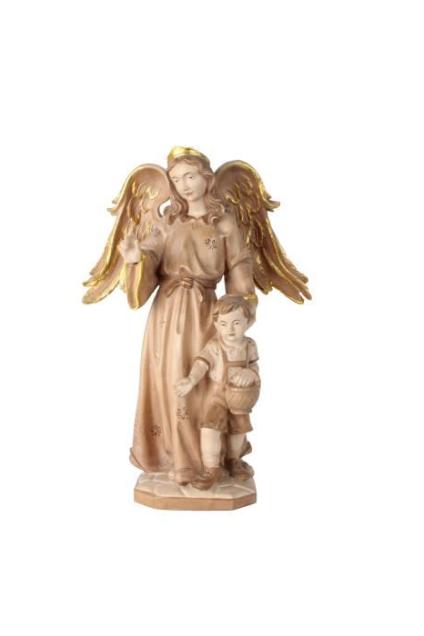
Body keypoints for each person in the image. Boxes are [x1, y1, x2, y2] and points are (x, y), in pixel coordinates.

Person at [118, 149, 256, 485]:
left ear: (207, 178)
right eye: (176, 179)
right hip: (166, 317)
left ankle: (212, 462)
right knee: (173, 383)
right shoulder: (167, 222)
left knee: (208, 384)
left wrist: (240, 310)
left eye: (190, 176)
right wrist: (136, 260)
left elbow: (239, 267)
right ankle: (177, 460)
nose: (184, 185)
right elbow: (149, 262)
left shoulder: (224, 222)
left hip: (207, 312)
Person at [175, 295, 260, 489]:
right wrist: (191, 380)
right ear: (216, 324)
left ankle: (234, 460)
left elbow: (254, 366)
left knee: (238, 430)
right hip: (217, 396)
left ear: (247, 322)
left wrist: (251, 374)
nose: (230, 329)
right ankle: (211, 469)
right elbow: (201, 364)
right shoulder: (214, 346)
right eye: (224, 324)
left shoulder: (249, 345)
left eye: (236, 323)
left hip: (240, 396)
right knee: (210, 429)